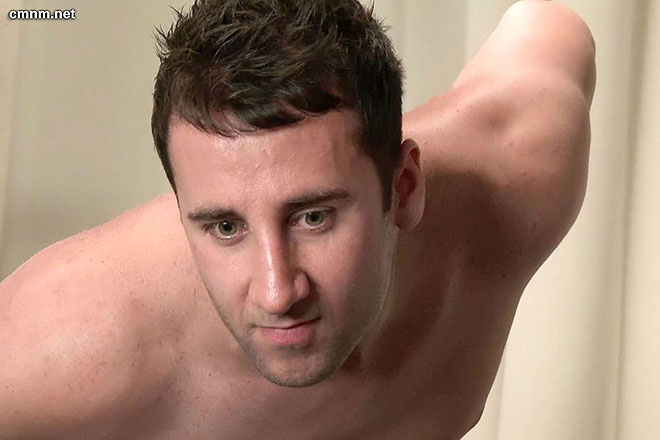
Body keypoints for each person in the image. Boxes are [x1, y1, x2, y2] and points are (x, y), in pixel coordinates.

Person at [0, 0, 595, 438]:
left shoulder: (514, 182)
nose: (277, 292)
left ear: (405, 187)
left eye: (313, 217)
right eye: (225, 227)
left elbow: (551, 28)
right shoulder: (69, 345)